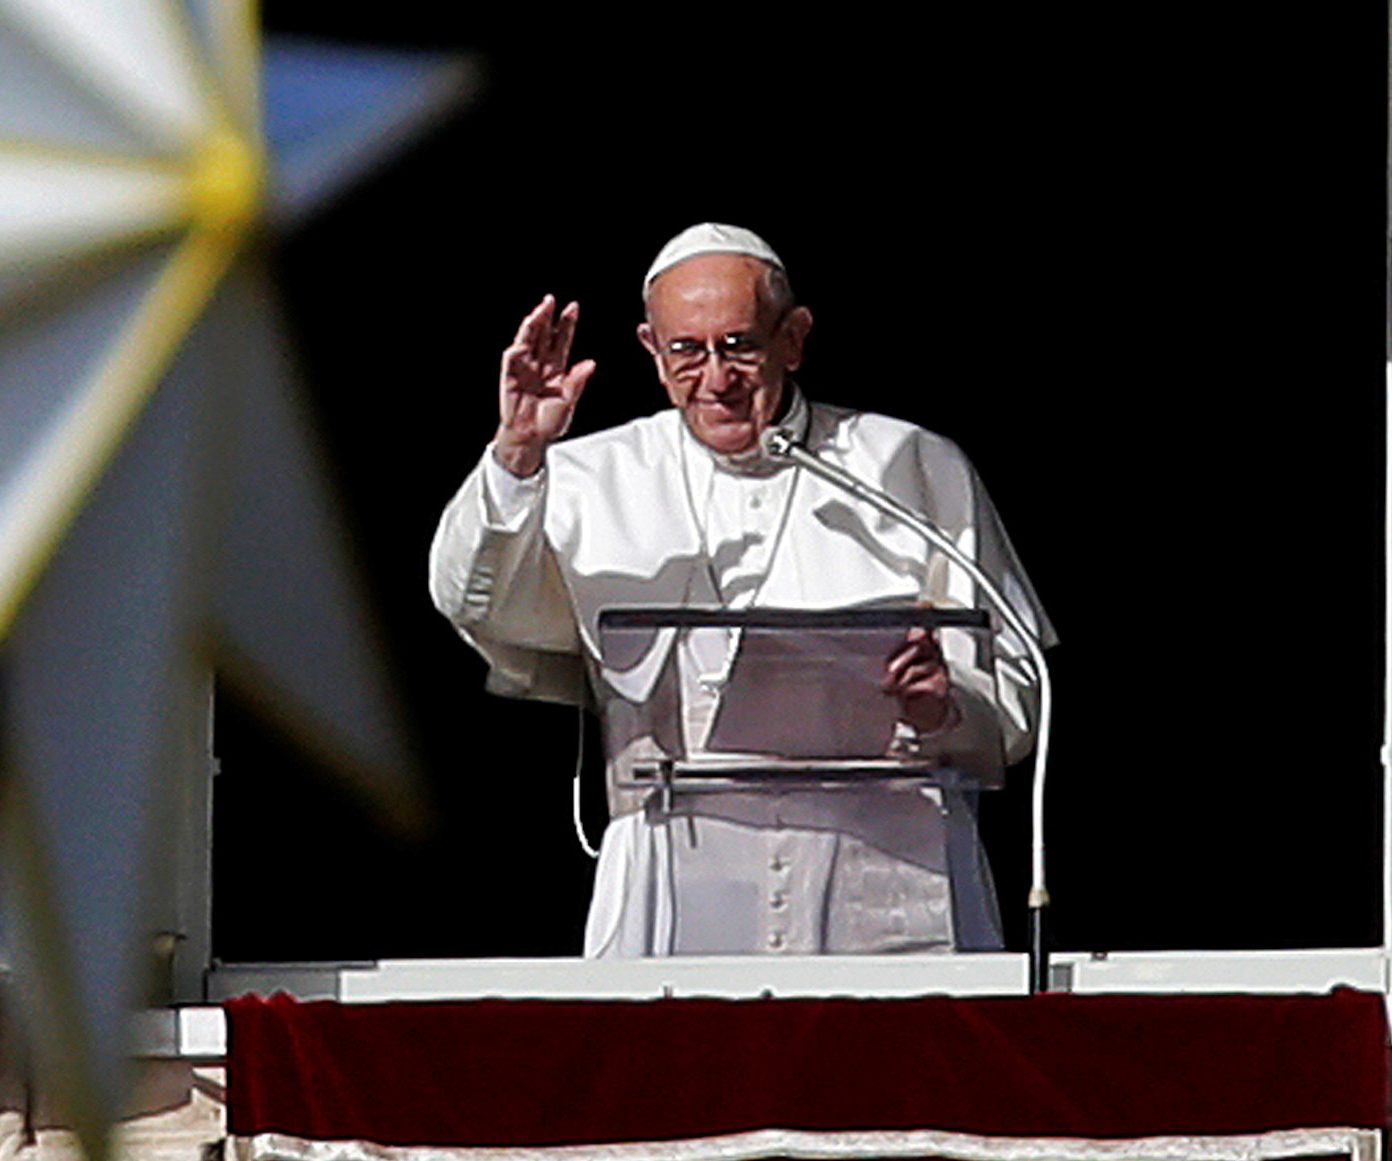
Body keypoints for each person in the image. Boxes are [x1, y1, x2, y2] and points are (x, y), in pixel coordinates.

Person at [427, 224, 1051, 957]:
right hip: (676, 887)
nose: (716, 377)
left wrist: (945, 708)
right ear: (651, 352)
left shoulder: (908, 464)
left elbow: (1022, 688)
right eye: (686, 350)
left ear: (794, 337)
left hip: (884, 878)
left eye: (740, 345)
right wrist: (516, 454)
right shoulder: (588, 476)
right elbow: (471, 599)